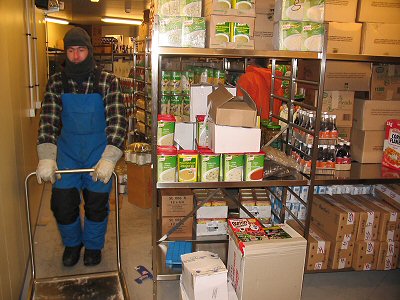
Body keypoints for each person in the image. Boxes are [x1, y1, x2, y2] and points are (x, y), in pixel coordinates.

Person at [36, 27, 127, 267]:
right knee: (63, 204)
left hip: (98, 152)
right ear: (66, 53)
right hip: (67, 154)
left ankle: (94, 247)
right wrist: (46, 156)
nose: (76, 56)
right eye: (71, 51)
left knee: (96, 206)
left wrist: (109, 158)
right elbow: (49, 120)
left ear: (89, 51)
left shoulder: (107, 81)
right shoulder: (57, 82)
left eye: (81, 50)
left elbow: (118, 121)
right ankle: (73, 244)